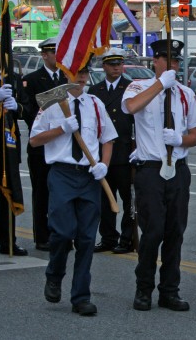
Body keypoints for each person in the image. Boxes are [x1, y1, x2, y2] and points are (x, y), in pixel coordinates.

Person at [122, 39, 196, 312]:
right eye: (167, 60)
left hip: (178, 170)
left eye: (176, 62)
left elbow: (195, 135)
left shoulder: (185, 94)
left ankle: (170, 290)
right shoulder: (139, 86)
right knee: (153, 231)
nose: (173, 65)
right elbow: (131, 107)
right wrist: (161, 84)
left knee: (175, 233)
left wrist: (180, 139)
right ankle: (143, 288)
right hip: (150, 169)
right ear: (155, 62)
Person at [30, 65, 117, 315]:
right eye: (75, 72)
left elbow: (108, 139)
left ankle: (81, 296)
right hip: (62, 174)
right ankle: (55, 275)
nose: (80, 77)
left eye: (84, 72)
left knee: (87, 239)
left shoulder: (95, 104)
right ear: (66, 74)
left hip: (89, 176)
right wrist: (61, 129)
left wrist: (104, 165)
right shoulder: (52, 103)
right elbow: (35, 139)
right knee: (62, 232)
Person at [88, 48, 135, 253]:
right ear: (104, 66)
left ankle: (127, 239)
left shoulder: (132, 88)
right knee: (105, 199)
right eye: (112, 64)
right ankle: (108, 237)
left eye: (119, 64)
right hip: (102, 154)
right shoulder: (94, 91)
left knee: (128, 200)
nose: (117, 67)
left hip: (125, 153)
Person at [23, 37, 68, 251]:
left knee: (61, 194)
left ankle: (61, 234)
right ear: (44, 55)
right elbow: (29, 110)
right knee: (42, 192)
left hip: (62, 144)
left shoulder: (67, 78)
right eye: (54, 52)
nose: (58, 57)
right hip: (41, 145)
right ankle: (42, 236)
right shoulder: (31, 79)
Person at [0, 36, 30, 256]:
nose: (8, 57)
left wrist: (17, 107)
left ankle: (8, 241)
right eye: (3, 52)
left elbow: (27, 106)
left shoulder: (13, 79)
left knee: (8, 194)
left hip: (9, 144)